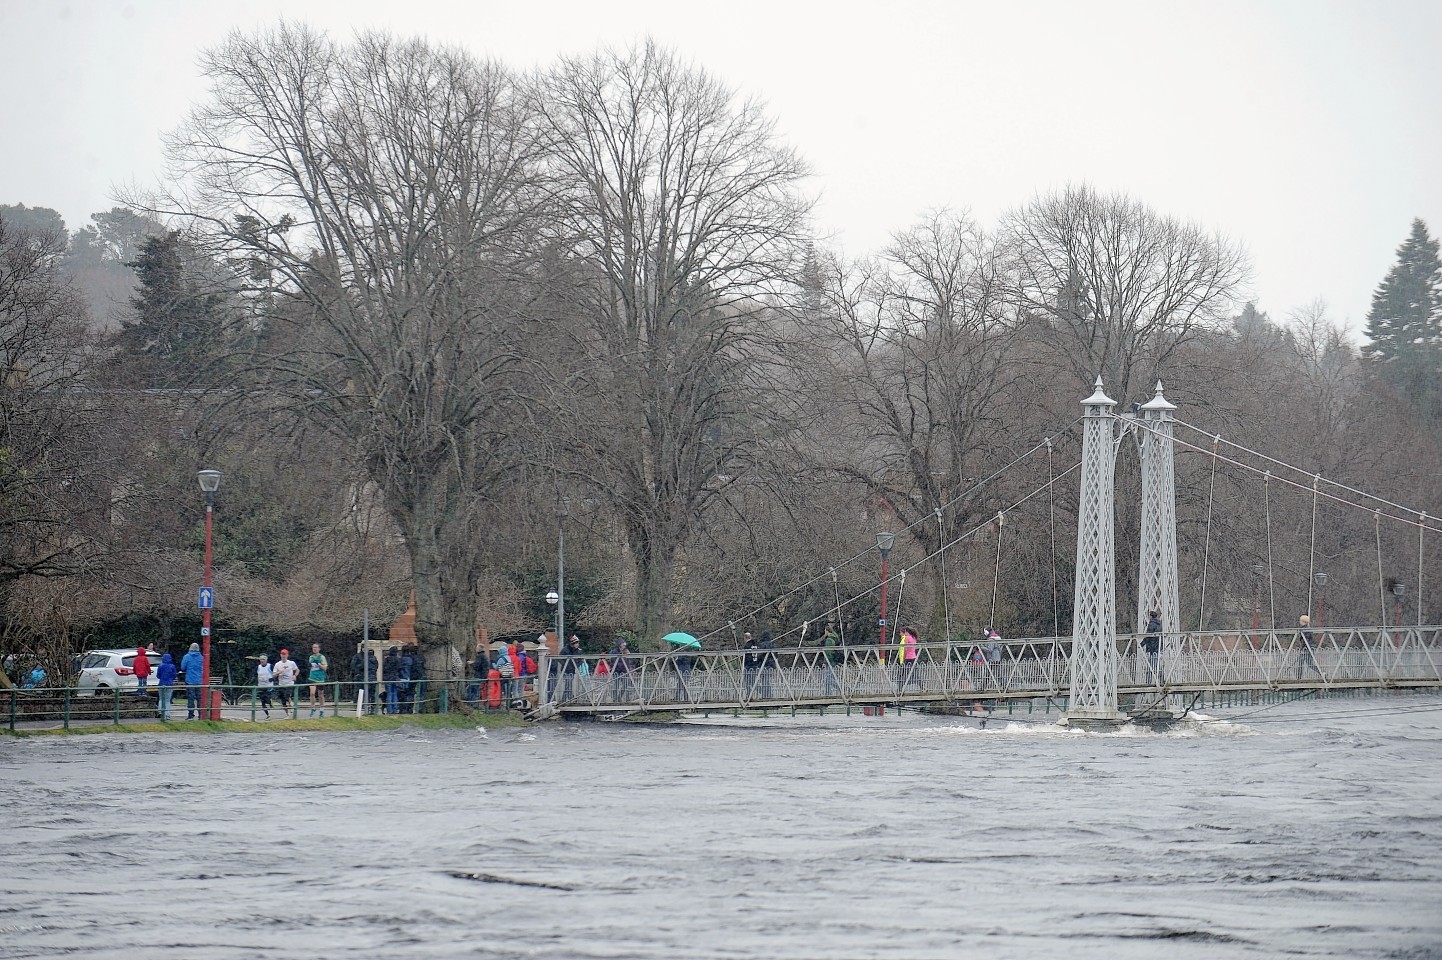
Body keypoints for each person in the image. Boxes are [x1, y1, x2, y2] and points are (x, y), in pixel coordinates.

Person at [180, 642, 205, 719]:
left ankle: (191, 714)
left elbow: (183, 667)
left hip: (190, 680)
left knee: (190, 698)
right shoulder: (201, 657)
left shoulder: (187, 657)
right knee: (199, 698)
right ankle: (200, 714)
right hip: (199, 680)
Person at [351, 643, 379, 713]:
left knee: (363, 692)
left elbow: (355, 666)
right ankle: (369, 707)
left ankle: (362, 706)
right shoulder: (360, 657)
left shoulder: (363, 657)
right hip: (363, 677)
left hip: (364, 677)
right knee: (367, 693)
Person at [273, 647, 299, 714]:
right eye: (282, 654)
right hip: (281, 684)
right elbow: (273, 675)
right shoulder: (277, 664)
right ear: (280, 655)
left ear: (287, 655)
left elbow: (297, 670)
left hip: (289, 683)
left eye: (285, 654)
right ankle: (287, 714)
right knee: (283, 700)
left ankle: (291, 704)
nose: (283, 656)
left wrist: (295, 675)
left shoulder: (291, 663)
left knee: (287, 695)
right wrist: (279, 672)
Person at [307, 642, 328, 717]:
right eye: (313, 647)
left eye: (316, 647)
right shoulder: (311, 657)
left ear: (319, 649)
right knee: (312, 693)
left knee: (320, 694)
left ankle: (321, 709)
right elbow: (310, 666)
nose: (314, 649)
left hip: (320, 678)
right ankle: (312, 708)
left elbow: (325, 668)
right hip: (312, 677)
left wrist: (319, 664)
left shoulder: (322, 657)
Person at [820, 622, 842, 696]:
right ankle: (828, 693)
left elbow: (828, 653)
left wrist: (825, 662)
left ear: (827, 631)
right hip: (833, 661)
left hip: (830, 662)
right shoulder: (834, 638)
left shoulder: (829, 640)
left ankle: (840, 690)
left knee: (828, 679)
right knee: (829, 678)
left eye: (825, 631)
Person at [467, 643, 491, 707]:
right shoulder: (485, 656)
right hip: (484, 675)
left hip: (479, 675)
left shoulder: (479, 656)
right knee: (475, 689)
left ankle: (471, 703)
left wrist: (471, 664)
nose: (475, 649)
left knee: (471, 689)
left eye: (477, 648)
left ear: (479, 649)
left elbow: (477, 666)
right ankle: (473, 703)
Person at [1141, 611, 1162, 685]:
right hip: (1157, 646)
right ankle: (1161, 679)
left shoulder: (1151, 624)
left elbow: (1148, 635)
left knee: (1150, 664)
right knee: (1157, 663)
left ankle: (1148, 681)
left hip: (1152, 646)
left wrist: (1142, 644)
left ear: (1150, 616)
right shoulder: (1159, 624)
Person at [896, 627, 920, 692]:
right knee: (916, 673)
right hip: (914, 657)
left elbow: (905, 649)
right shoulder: (914, 638)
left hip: (907, 657)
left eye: (905, 632)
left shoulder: (907, 638)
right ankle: (922, 686)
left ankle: (900, 688)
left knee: (902, 673)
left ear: (907, 632)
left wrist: (903, 657)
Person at [1296, 614, 1319, 679]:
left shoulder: (1305, 630)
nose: (1299, 622)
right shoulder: (1305, 629)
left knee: (1306, 663)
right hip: (1307, 648)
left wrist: (1303, 648)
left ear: (1303, 622)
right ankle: (1299, 677)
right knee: (1304, 663)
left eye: (1300, 621)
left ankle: (1299, 678)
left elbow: (1306, 640)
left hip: (1307, 649)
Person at [156, 652, 177, 720]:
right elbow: (174, 676)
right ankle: (167, 714)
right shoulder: (172, 666)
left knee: (161, 698)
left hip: (161, 683)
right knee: (167, 700)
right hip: (169, 684)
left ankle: (160, 711)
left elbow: (158, 675)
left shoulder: (160, 666)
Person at [382, 646, 403, 714]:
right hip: (395, 678)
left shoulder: (387, 660)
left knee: (389, 694)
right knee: (395, 694)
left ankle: (389, 710)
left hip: (388, 678)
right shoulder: (398, 660)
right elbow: (399, 669)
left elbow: (384, 669)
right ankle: (395, 709)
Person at [255, 653, 274, 719]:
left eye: (263, 659)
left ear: (266, 660)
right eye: (261, 659)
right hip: (261, 686)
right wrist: (258, 684)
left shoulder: (270, 666)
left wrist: (272, 678)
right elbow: (258, 675)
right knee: (262, 702)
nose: (262, 660)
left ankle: (270, 702)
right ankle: (268, 715)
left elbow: (275, 673)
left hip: (269, 686)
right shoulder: (258, 667)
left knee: (267, 700)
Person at [742, 631, 760, 699]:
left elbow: (746, 657)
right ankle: (755, 694)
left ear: (745, 638)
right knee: (753, 682)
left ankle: (749, 695)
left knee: (747, 682)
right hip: (755, 665)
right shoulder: (755, 645)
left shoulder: (747, 646)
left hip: (748, 666)